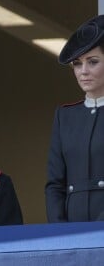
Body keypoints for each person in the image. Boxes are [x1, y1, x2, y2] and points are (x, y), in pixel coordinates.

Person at [45, 14, 104, 222]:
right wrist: (59, 232)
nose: (83, 71)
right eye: (77, 64)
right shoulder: (65, 116)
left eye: (93, 62)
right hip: (71, 233)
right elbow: (55, 184)